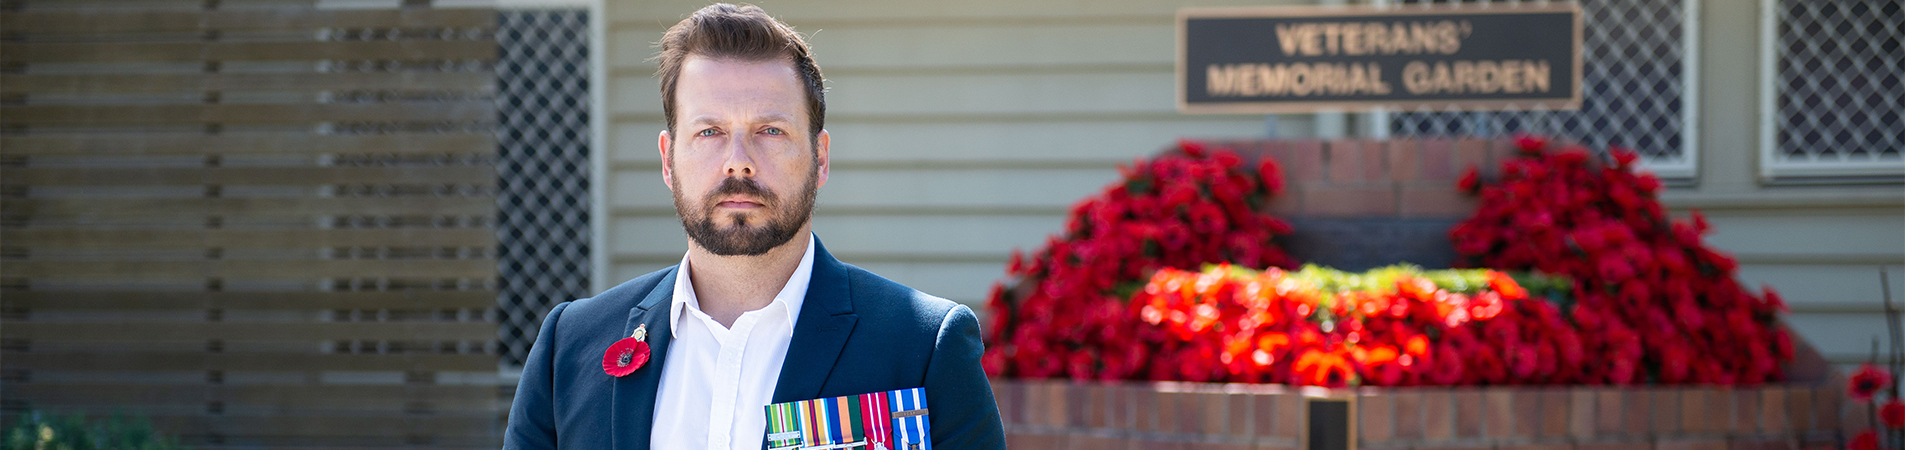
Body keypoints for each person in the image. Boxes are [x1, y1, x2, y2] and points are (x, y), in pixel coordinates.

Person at [503, 4, 1007, 450]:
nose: (738, 161)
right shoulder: (569, 347)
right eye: (709, 131)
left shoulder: (923, 347)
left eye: (770, 130)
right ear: (667, 159)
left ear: (820, 158)